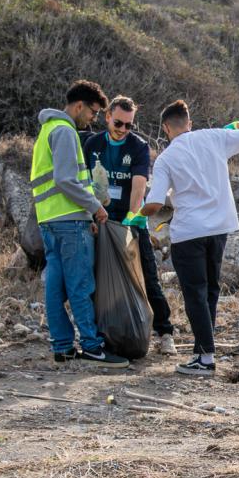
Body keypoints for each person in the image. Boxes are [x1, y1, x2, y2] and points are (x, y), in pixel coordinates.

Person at [140, 100, 239, 376]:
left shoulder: (166, 158)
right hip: (219, 228)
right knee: (211, 291)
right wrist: (236, 125)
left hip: (189, 231)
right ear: (190, 123)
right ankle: (202, 351)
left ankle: (205, 358)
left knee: (195, 293)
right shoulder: (214, 137)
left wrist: (138, 213)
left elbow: (155, 203)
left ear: (165, 128)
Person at [31, 80, 128, 368]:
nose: (93, 118)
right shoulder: (64, 131)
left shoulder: (47, 130)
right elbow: (65, 180)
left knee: (55, 287)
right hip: (69, 221)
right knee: (80, 285)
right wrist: (94, 207)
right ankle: (92, 346)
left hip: (49, 220)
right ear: (78, 106)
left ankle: (62, 347)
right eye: (93, 112)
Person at [82, 95, 176, 355]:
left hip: (130, 221)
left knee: (146, 275)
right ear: (107, 117)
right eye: (118, 123)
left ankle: (165, 332)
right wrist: (91, 216)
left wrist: (131, 221)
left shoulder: (138, 146)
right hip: (100, 219)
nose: (123, 129)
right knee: (98, 276)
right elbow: (85, 182)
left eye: (128, 125)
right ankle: (103, 333)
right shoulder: (93, 144)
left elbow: (138, 187)